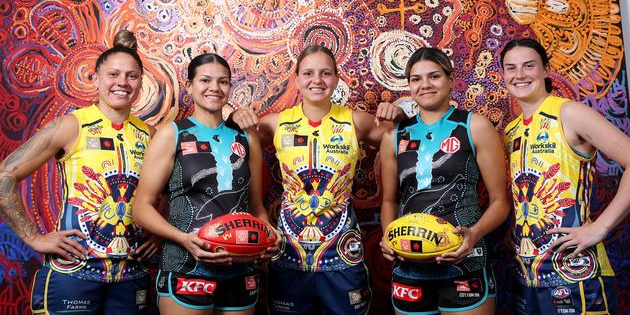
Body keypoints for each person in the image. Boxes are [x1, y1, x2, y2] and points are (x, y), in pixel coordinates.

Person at [230, 44, 406, 314]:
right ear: (297, 78)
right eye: (308, 73)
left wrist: (399, 115)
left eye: (325, 73)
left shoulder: (356, 121)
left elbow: (402, 137)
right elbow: (232, 137)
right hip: (289, 251)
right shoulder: (276, 123)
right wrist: (234, 117)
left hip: (342, 253)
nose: (317, 80)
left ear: (337, 78)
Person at [0, 30, 158, 314]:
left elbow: (176, 188)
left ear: (141, 82)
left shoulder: (153, 135)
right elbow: (5, 177)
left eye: (131, 76)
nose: (122, 82)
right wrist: (34, 237)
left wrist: (160, 235)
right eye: (113, 74)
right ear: (95, 79)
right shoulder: (71, 125)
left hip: (131, 276)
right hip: (74, 273)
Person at [500, 38, 630, 314]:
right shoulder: (512, 130)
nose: (519, 75)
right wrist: (517, 224)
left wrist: (600, 227)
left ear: (546, 69)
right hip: (529, 273)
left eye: (528, 66)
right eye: (511, 68)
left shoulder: (569, 112)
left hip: (575, 271)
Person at [133, 53, 279, 315]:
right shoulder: (172, 134)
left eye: (223, 81)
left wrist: (269, 235)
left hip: (240, 265)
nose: (214, 87)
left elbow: (256, 207)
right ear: (190, 86)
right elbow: (141, 207)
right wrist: (184, 239)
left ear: (230, 87)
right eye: (205, 80)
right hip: (187, 263)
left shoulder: (246, 138)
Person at [379, 47, 510, 314]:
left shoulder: (475, 126)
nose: (425, 85)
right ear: (409, 86)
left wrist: (473, 235)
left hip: (464, 259)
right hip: (410, 261)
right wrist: (388, 237)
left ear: (450, 80)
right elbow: (389, 200)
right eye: (416, 79)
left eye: (434, 76)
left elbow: (500, 202)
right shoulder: (394, 135)